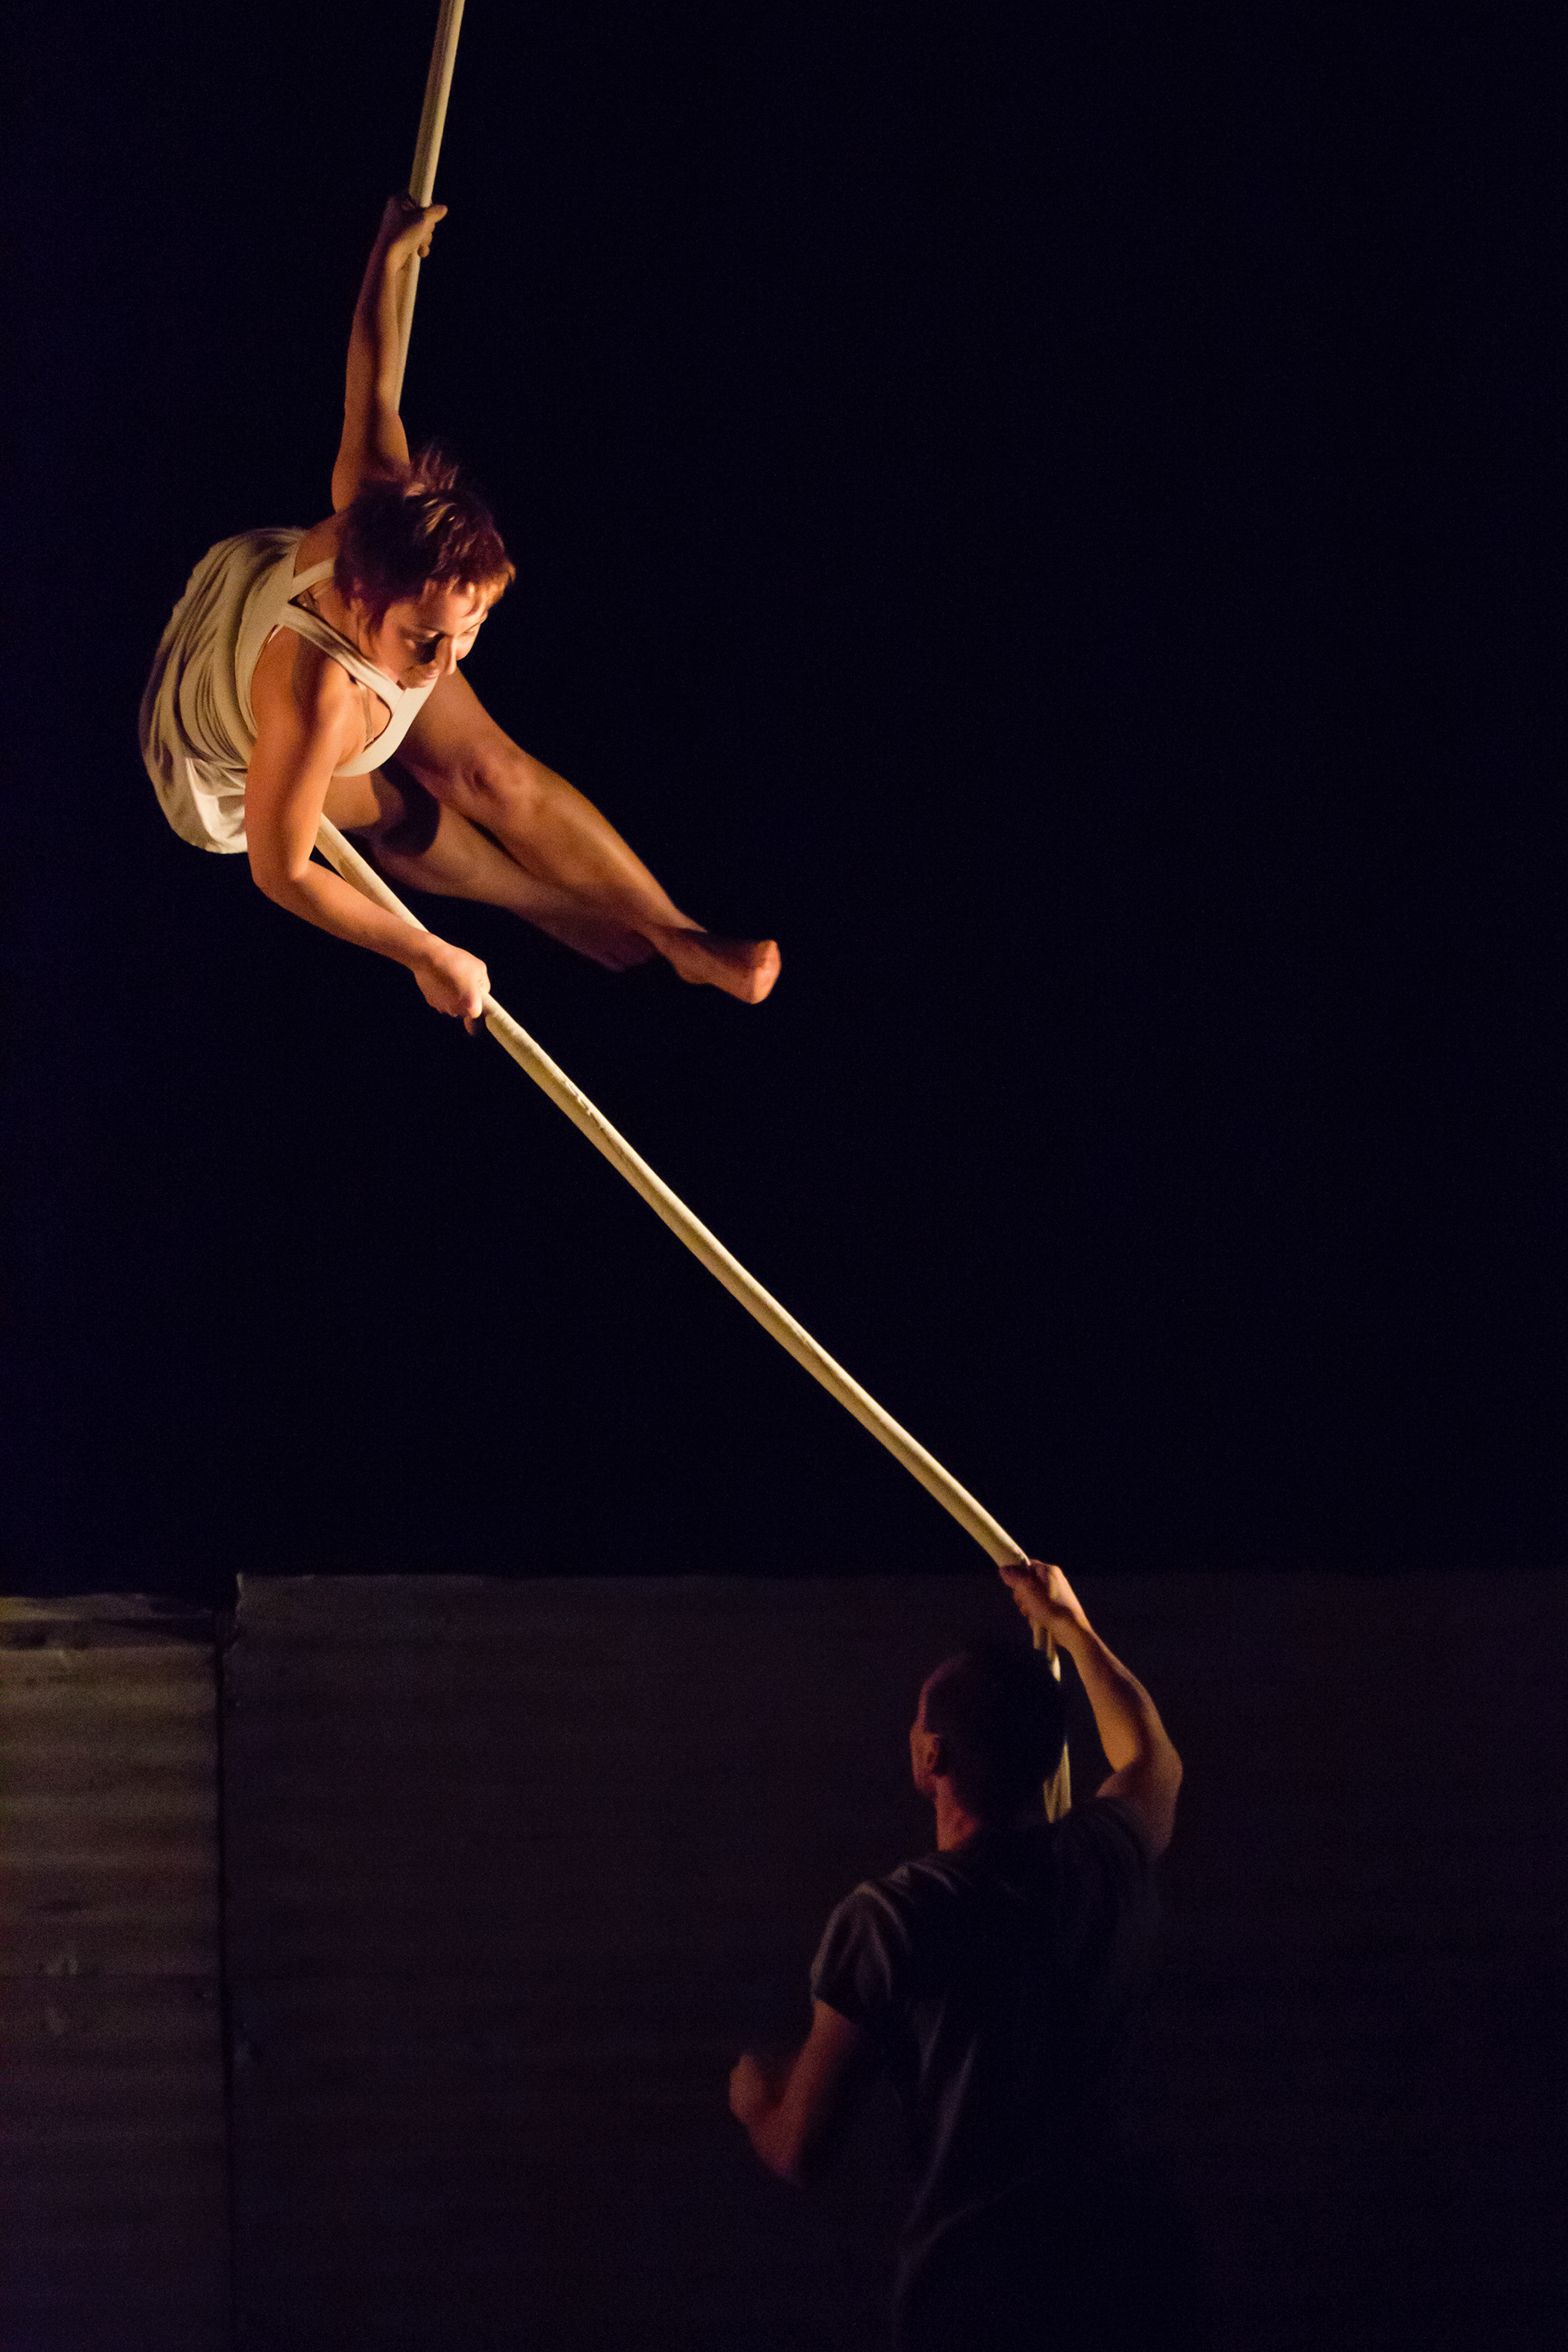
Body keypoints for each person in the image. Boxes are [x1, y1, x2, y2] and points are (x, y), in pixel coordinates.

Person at [140, 196, 781, 1027]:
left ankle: (678, 937)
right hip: (218, 732)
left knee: (487, 769)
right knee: (396, 808)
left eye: (468, 634)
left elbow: (371, 378)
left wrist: (391, 255)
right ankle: (540, 902)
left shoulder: (387, 509)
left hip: (339, 635)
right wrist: (425, 952)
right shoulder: (314, 694)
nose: (444, 663)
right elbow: (282, 870)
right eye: (427, 640)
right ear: (367, 589)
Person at [728, 1560, 1200, 2350]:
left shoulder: (893, 1918)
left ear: (933, 1757)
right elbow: (1153, 1756)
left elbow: (800, 2150)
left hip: (983, 2296)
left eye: (918, 1722)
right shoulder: (1103, 1859)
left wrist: (753, 2093)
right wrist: (1074, 1632)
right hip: (1129, 2285)